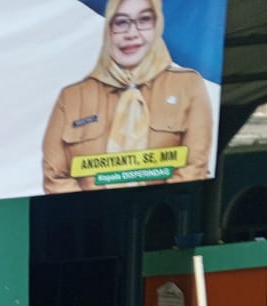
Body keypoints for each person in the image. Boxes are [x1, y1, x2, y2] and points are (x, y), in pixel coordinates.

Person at [42, 0, 211, 193]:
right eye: (121, 22)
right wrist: (94, 206)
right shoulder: (71, 98)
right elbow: (55, 177)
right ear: (108, 30)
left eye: (144, 20)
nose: (131, 33)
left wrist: (150, 205)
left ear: (157, 26)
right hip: (87, 210)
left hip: (159, 207)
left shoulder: (188, 85)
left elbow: (194, 168)